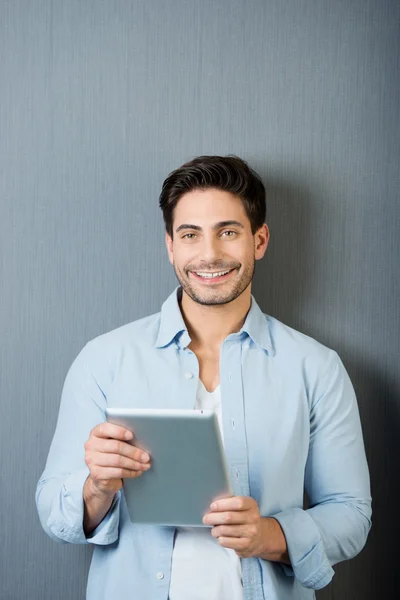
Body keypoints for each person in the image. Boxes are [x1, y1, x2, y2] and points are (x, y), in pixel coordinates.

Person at [36, 155, 372, 600]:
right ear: (171, 246)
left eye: (228, 232)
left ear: (260, 239)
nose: (209, 254)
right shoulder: (103, 360)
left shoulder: (317, 368)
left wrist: (269, 535)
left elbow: (351, 515)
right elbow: (53, 513)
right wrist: (97, 487)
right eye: (190, 234)